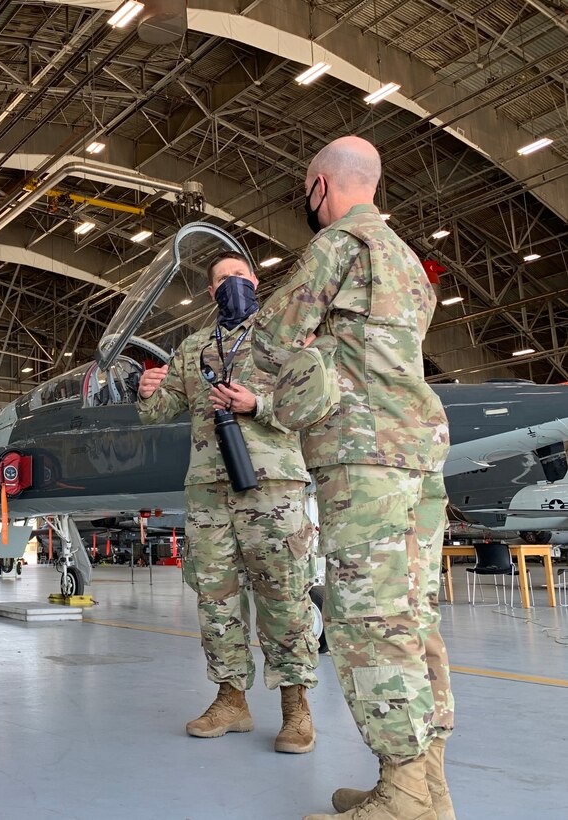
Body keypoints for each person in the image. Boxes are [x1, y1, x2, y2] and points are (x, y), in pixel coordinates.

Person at [249, 136, 454, 820]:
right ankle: (425, 788)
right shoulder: (405, 261)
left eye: (306, 191)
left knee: (366, 619)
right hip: (418, 457)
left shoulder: (339, 245)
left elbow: (272, 340)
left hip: (362, 460)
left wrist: (298, 349)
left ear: (319, 186)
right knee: (412, 618)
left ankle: (400, 797)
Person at [137, 251, 319, 753]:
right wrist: (148, 389)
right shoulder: (194, 347)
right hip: (209, 489)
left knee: (283, 593)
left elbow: (317, 405)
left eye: (239, 276)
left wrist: (256, 404)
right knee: (215, 598)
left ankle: (295, 707)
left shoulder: (284, 337)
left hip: (273, 486)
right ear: (210, 291)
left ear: (256, 281)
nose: (231, 284)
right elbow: (159, 412)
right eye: (221, 280)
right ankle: (231, 699)